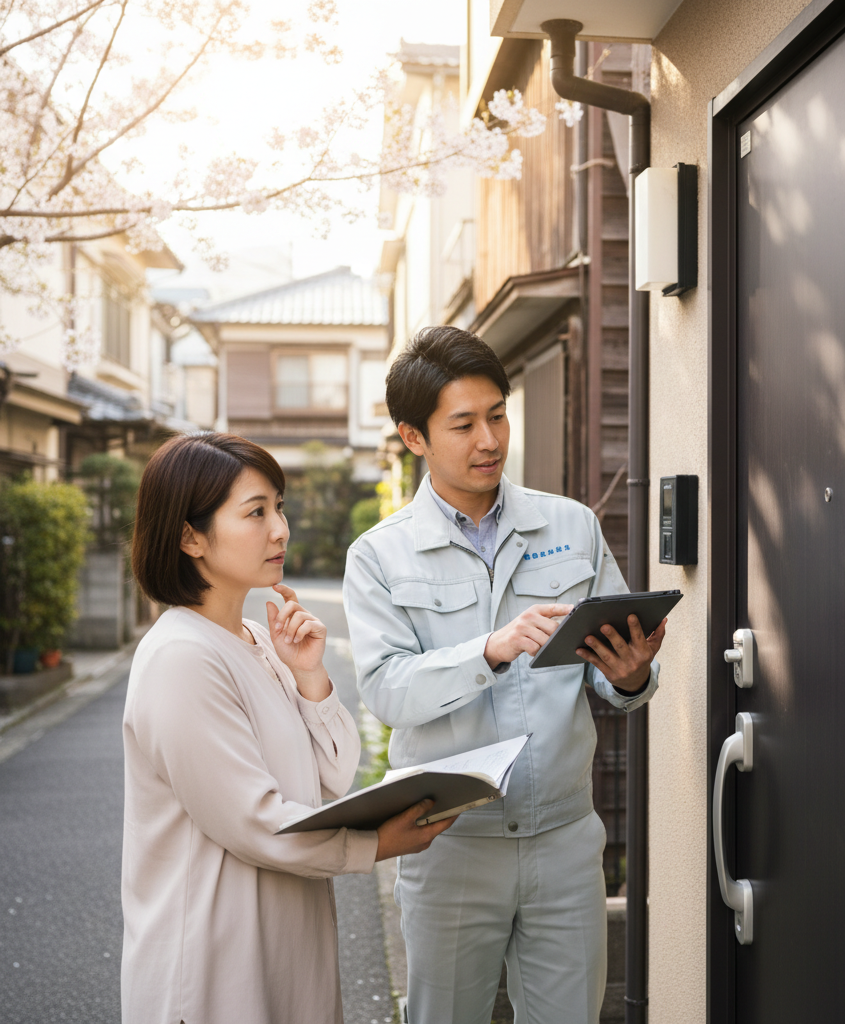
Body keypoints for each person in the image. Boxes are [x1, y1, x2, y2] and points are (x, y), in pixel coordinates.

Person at [343, 326, 666, 1024]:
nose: (489, 439)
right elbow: (386, 689)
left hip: (565, 840)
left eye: (497, 414)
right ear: (414, 436)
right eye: (463, 424)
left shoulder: (572, 525)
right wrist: (489, 649)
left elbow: (612, 679)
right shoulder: (380, 556)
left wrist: (633, 676)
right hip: (450, 842)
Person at [121, 432, 453, 1024]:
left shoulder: (253, 639)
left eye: (279, 506)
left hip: (282, 942)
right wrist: (375, 845)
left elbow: (331, 775)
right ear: (189, 536)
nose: (280, 528)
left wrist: (309, 676)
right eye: (256, 512)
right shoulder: (181, 657)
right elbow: (256, 822)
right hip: (213, 963)